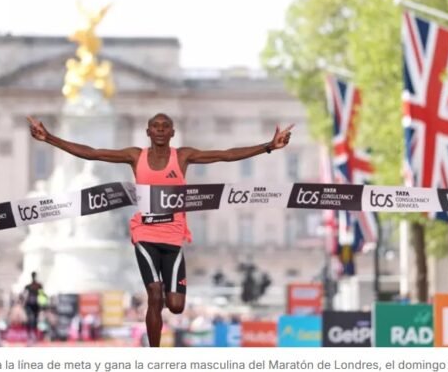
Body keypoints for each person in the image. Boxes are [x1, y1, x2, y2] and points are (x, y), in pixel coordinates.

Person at [27, 113, 292, 347]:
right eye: (156, 126)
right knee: (154, 295)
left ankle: (165, 296)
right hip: (144, 234)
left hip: (174, 236)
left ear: (173, 132)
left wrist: (269, 146)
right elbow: (93, 152)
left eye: (166, 126)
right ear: (148, 132)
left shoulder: (183, 156)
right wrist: (50, 138)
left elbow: (225, 154)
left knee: (175, 306)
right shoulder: (135, 156)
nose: (161, 129)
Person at [23, 271, 44, 342]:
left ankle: (33, 335)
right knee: (30, 320)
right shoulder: (28, 286)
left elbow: (42, 295)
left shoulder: (38, 286)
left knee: (35, 320)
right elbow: (24, 295)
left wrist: (42, 304)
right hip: (30, 305)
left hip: (35, 305)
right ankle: (30, 334)